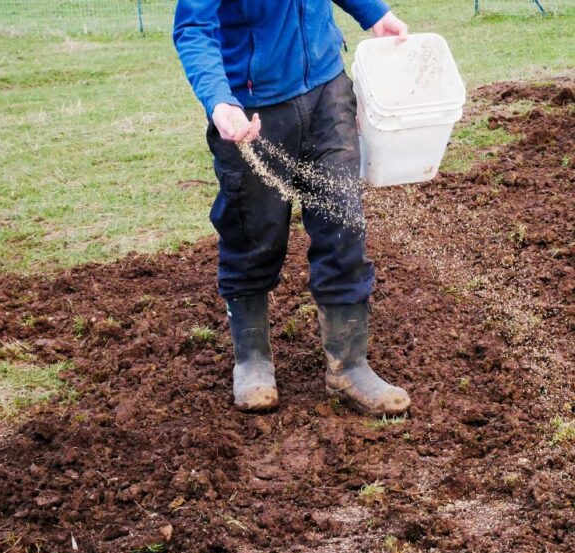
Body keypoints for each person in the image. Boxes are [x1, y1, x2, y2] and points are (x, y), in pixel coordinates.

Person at [173, 0, 411, 416]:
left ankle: (349, 365)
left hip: (327, 93)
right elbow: (194, 28)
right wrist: (218, 100)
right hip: (252, 111)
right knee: (253, 234)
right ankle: (252, 360)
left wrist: (374, 13)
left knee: (344, 224)